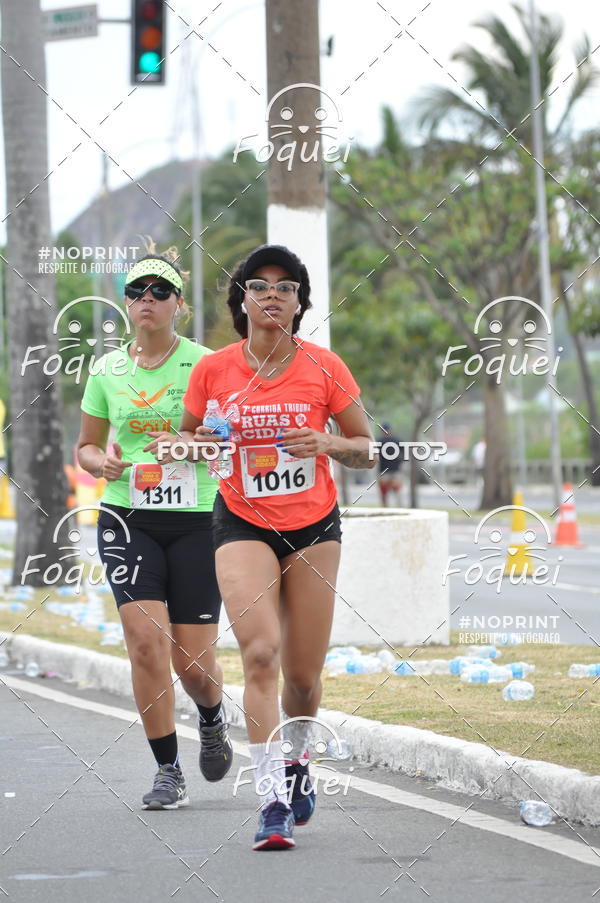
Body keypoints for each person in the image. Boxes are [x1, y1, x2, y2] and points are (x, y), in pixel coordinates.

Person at [175, 244, 375, 850]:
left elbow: (366, 446)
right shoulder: (214, 370)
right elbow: (188, 439)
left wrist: (325, 441)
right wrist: (191, 445)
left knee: (304, 679)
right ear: (242, 299)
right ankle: (269, 801)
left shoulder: (324, 367)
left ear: (299, 303)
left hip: (314, 525)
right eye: (258, 285)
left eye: (285, 286)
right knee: (260, 654)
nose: (271, 294)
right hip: (241, 520)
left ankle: (298, 759)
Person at [77, 248, 232, 811]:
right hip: (127, 516)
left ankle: (212, 716)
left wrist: (186, 446)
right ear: (125, 304)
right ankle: (168, 769)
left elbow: (222, 440)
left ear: (179, 305)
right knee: (146, 645)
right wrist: (101, 464)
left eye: (159, 291)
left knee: (193, 664)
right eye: (137, 292)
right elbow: (87, 447)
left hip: (197, 518)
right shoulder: (106, 371)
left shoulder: (209, 365)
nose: (147, 300)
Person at [376, 423, 404, 507]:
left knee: (384, 495)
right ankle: (400, 509)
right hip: (396, 471)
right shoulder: (397, 441)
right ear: (390, 430)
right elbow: (404, 454)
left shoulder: (379, 441)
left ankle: (385, 510)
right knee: (397, 493)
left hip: (383, 471)